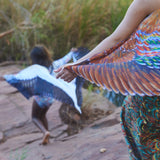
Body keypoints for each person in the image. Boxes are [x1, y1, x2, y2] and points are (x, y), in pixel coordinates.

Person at [55, 0, 160, 159]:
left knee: (148, 148)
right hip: (148, 94)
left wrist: (77, 66)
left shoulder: (145, 2)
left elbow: (116, 39)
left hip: (148, 96)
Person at [0, 45, 89, 145]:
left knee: (35, 117)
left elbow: (19, 76)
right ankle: (47, 137)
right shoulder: (54, 65)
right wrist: (72, 52)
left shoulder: (35, 69)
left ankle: (45, 132)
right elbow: (65, 59)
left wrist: (3, 77)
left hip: (41, 98)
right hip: (50, 98)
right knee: (42, 115)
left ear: (34, 58)